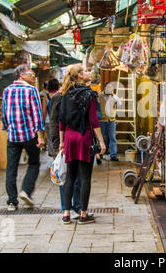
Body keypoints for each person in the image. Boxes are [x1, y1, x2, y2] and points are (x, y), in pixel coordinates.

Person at [58, 64, 105, 225]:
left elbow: (61, 121)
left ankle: (66, 214)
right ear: (79, 76)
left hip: (70, 138)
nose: (88, 72)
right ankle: (83, 215)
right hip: (84, 137)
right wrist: (101, 141)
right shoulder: (89, 94)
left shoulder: (65, 94)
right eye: (84, 71)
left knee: (70, 176)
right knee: (85, 177)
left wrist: (62, 142)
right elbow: (94, 120)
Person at [2, 64, 45, 211]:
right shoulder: (31, 90)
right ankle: (26, 191)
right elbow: (37, 114)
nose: (33, 75)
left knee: (11, 168)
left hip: (13, 136)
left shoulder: (7, 91)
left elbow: (4, 114)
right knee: (34, 163)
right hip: (29, 135)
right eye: (30, 73)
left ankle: (12, 202)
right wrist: (40, 135)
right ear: (22, 75)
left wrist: (8, 128)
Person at [48, 78, 82, 219]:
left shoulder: (79, 95)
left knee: (78, 177)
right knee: (65, 175)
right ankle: (66, 208)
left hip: (76, 142)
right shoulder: (59, 97)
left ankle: (77, 206)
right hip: (65, 143)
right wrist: (57, 145)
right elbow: (55, 122)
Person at [99, 81, 122, 161]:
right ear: (105, 88)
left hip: (111, 120)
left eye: (111, 87)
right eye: (108, 87)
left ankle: (113, 155)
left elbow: (119, 104)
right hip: (102, 120)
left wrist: (114, 96)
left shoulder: (114, 97)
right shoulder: (99, 96)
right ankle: (101, 153)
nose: (110, 89)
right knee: (102, 137)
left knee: (112, 137)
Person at [43, 78, 59, 156]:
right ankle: (60, 155)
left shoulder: (46, 96)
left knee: (50, 139)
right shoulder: (61, 94)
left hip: (49, 121)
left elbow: (44, 110)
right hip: (59, 120)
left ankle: (54, 158)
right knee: (60, 139)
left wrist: (42, 122)